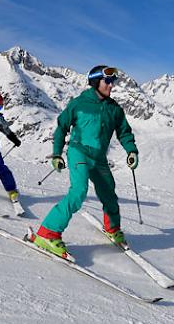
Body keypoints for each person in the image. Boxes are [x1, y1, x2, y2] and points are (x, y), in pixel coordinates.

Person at [29, 65, 139, 259]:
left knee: (109, 193)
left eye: (112, 82)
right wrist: (56, 154)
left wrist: (131, 150)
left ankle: (112, 228)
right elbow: (62, 127)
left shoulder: (114, 109)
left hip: (99, 157)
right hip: (78, 152)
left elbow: (124, 132)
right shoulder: (79, 104)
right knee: (79, 191)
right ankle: (47, 232)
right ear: (96, 82)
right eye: (107, 82)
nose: (111, 86)